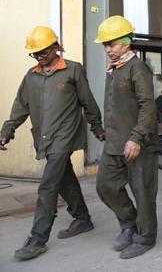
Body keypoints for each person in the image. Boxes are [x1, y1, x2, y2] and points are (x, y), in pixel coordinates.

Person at [0, 26, 104, 260]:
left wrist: (97, 127)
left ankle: (37, 238)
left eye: (43, 53)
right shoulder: (31, 76)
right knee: (65, 176)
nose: (39, 58)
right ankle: (82, 219)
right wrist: (7, 130)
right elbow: (20, 106)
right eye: (35, 54)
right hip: (45, 137)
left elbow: (88, 102)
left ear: (56, 47)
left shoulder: (73, 70)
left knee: (48, 186)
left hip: (65, 135)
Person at [94, 15, 160, 259]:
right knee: (105, 186)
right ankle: (129, 223)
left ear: (126, 42)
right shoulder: (113, 70)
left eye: (112, 44)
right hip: (114, 143)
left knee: (143, 192)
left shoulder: (137, 68)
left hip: (139, 144)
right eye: (105, 45)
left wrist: (137, 137)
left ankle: (145, 237)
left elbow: (147, 105)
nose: (108, 49)